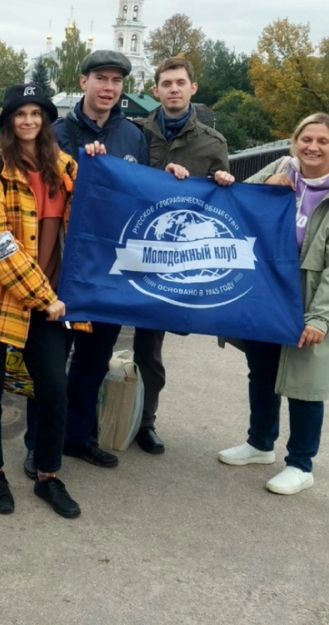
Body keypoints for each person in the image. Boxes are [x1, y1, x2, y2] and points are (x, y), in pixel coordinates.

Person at [218, 112, 329, 495]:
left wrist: (321, 318)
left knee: (305, 384)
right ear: (294, 142)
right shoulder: (283, 167)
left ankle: (301, 463)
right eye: (305, 139)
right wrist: (267, 184)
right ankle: (260, 443)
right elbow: (236, 200)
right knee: (262, 371)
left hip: (307, 302)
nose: (312, 147)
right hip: (267, 295)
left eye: (322, 141)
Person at [0, 82, 86, 519]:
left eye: (36, 114)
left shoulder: (69, 167)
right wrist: (42, 295)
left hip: (54, 305)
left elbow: (111, 200)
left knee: (54, 390)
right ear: (8, 122)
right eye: (20, 114)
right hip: (2, 301)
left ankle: (47, 475)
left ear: (47, 121)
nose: (29, 121)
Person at [51, 50, 149, 471]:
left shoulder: (133, 136)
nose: (109, 88)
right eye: (101, 79)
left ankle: (77, 436)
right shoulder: (57, 132)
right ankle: (43, 442)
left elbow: (144, 194)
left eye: (116, 81)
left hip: (110, 268)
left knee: (94, 358)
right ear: (84, 81)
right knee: (52, 362)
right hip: (64, 264)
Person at [133, 57, 230, 455]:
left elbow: (223, 208)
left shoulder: (212, 143)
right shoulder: (134, 134)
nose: (173, 89)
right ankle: (91, 417)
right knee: (98, 341)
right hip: (129, 251)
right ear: (155, 90)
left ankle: (145, 422)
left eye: (180, 83)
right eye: (166, 83)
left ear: (193, 89)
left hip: (171, 263)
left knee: (149, 349)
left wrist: (223, 182)